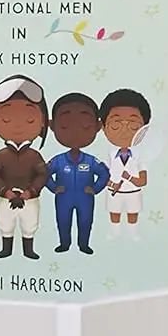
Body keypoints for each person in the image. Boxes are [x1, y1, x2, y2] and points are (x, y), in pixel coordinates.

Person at [0, 75, 50, 261]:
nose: (18, 125)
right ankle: (6, 248)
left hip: (29, 199)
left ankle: (28, 249)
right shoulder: (1, 155)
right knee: (5, 223)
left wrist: (30, 192)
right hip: (5, 198)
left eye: (29, 119)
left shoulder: (34, 156)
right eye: (7, 118)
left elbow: (42, 173)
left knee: (29, 224)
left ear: (42, 123)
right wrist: (5, 192)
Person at [46, 93, 111, 255]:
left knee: (85, 221)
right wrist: (53, 187)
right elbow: (45, 174)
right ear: (53, 125)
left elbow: (104, 174)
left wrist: (95, 189)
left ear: (96, 126)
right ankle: (64, 244)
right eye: (66, 126)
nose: (75, 130)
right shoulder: (59, 160)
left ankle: (84, 245)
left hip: (85, 197)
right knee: (63, 221)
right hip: (64, 196)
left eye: (85, 126)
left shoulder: (90, 161)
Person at [100, 88, 152, 228]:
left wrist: (129, 177)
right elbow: (102, 177)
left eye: (133, 125)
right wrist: (112, 185)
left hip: (133, 193)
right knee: (114, 218)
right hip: (114, 193)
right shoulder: (108, 156)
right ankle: (114, 235)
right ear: (103, 128)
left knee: (133, 219)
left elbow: (142, 181)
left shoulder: (141, 158)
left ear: (144, 129)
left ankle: (133, 236)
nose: (124, 130)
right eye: (116, 124)